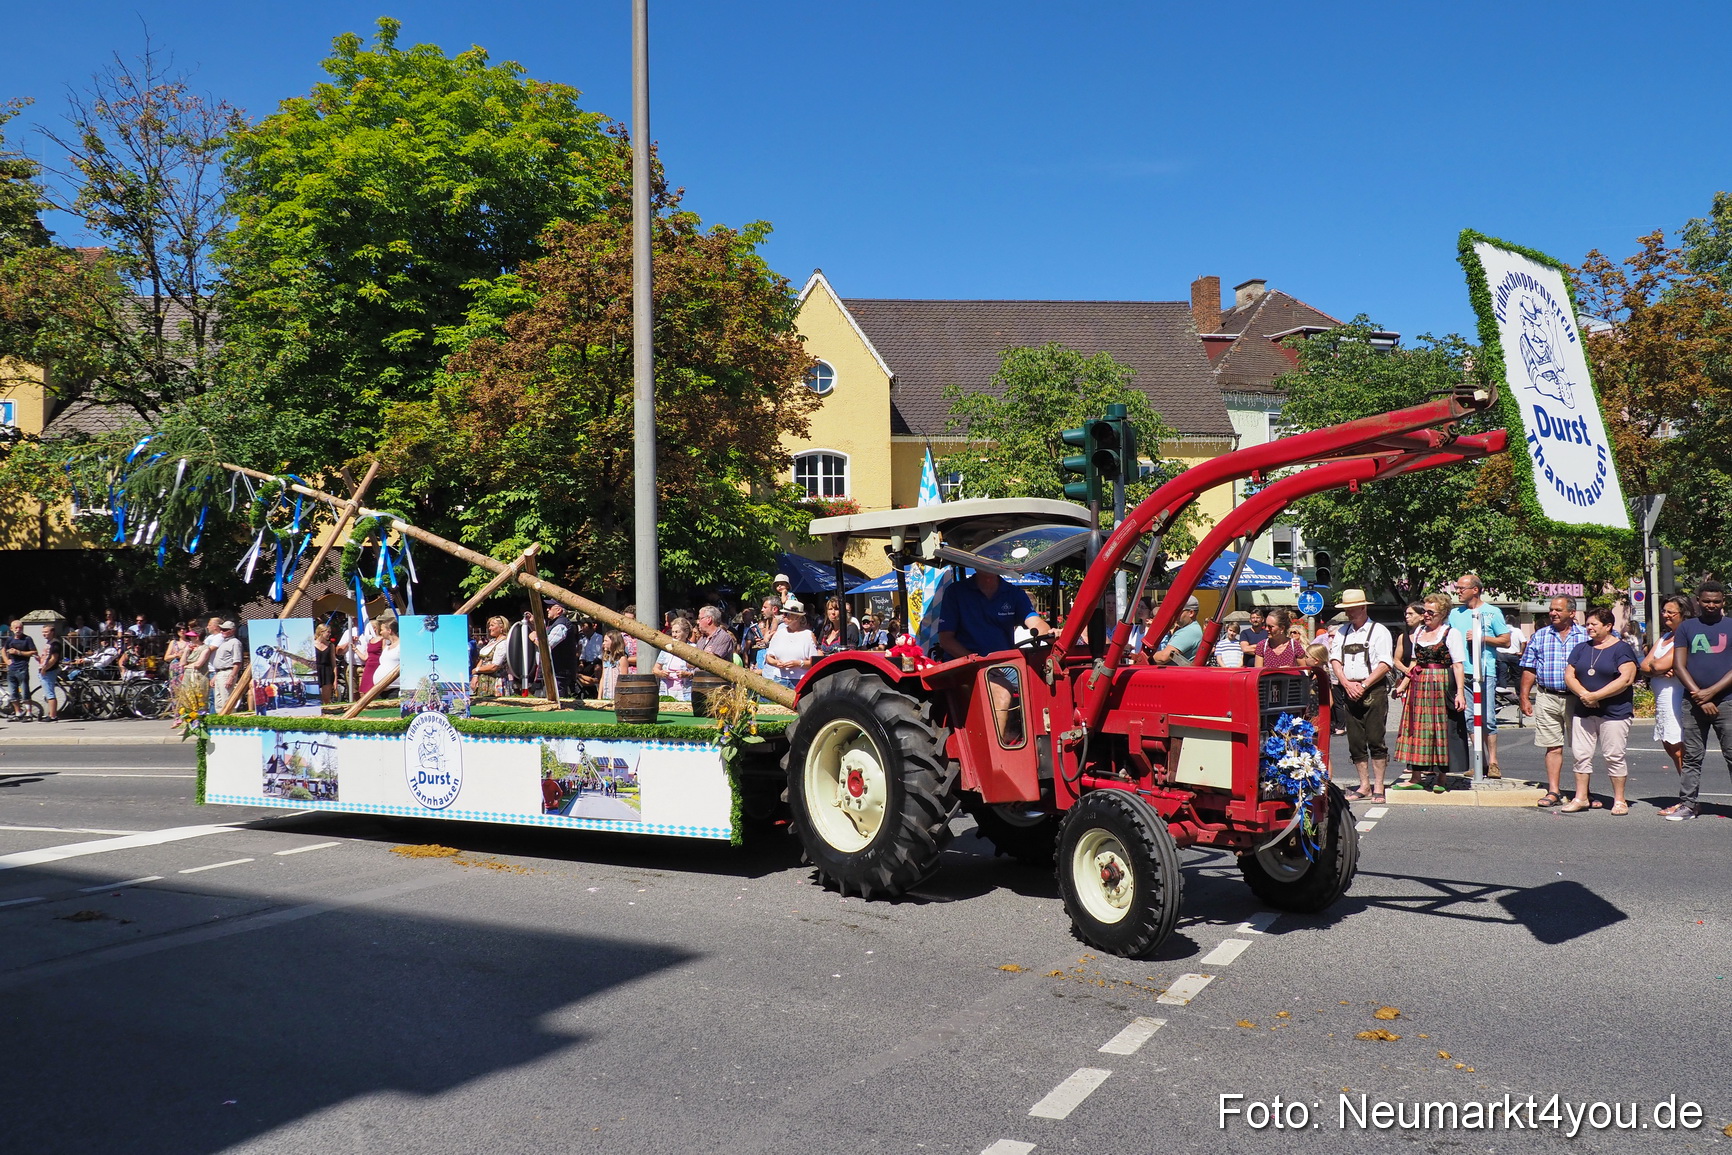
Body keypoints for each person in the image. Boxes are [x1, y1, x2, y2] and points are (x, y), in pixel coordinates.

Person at [1560, 606, 1641, 814]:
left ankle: (1620, 800)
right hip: (1584, 710)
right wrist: (1585, 695)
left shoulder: (1621, 649)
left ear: (1608, 626)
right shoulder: (1581, 648)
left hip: (1614, 712)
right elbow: (1569, 675)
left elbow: (1626, 678)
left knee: (1614, 755)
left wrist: (1597, 696)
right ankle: (1581, 797)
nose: (1589, 627)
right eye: (1587, 624)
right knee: (1580, 754)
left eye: (1594, 624)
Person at [1666, 581, 1732, 821]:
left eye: (1716, 601)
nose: (1711, 605)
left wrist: (1711, 692)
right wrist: (1699, 696)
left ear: (1723, 601)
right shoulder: (1687, 627)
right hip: (1693, 703)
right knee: (1692, 756)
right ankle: (1688, 804)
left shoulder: (1731, 625)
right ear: (1698, 601)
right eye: (1706, 601)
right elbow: (1679, 665)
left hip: (1727, 701)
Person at [1518, 596, 1590, 808]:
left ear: (1572, 613)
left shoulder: (1585, 636)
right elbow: (1529, 667)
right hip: (1547, 696)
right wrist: (1524, 697)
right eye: (1551, 609)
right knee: (1552, 747)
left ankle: (1583, 793)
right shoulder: (1540, 636)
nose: (1553, 613)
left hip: (1578, 699)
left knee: (1581, 749)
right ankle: (1553, 791)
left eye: (1558, 609)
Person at [1393, 594, 1466, 794]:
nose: (1426, 615)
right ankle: (1415, 777)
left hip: (1442, 683)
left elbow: (1458, 665)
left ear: (1442, 614)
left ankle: (1441, 777)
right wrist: (1403, 685)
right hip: (1419, 684)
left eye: (1430, 612)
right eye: (1425, 611)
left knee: (1440, 729)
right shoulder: (1419, 632)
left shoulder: (1450, 633)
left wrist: (1460, 693)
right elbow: (1414, 663)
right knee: (1418, 729)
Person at [1328, 589, 1394, 803]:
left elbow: (1385, 664)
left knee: (1376, 739)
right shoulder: (1342, 632)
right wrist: (1346, 683)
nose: (1348, 613)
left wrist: (1364, 685)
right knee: (1355, 741)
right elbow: (1335, 660)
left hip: (1373, 689)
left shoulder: (1379, 631)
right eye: (1346, 609)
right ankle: (1364, 785)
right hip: (1349, 689)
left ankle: (1378, 786)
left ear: (1363, 607)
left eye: (1351, 609)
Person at [1447, 574, 1512, 778]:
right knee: (1469, 718)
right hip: (1461, 672)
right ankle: (1479, 761)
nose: (1458, 592)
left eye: (1462, 588)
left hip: (1485, 672)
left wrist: (1482, 638)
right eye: (1457, 588)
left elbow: (1506, 640)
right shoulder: (1454, 614)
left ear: (1475, 590)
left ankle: (1493, 762)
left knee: (1488, 718)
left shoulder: (1492, 612)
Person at [936, 570, 1051, 659]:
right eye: (986, 555)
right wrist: (977, 662)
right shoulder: (955, 592)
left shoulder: (1014, 593)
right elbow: (946, 640)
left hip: (1005, 664)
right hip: (964, 665)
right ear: (973, 560)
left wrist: (1050, 634)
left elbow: (1035, 622)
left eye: (996, 554)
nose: (991, 559)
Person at [1642, 594, 1696, 778]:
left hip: (1676, 697)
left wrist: (1656, 666)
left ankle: (1689, 790)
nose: (1665, 615)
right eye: (1664, 611)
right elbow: (1644, 666)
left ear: (1684, 614)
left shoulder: (1685, 636)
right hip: (1662, 699)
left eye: (1671, 612)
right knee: (1668, 744)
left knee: (1678, 746)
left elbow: (1657, 665)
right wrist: (1656, 668)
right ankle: (1686, 787)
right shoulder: (1665, 637)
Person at [763, 600, 820, 688]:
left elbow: (814, 662)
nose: (783, 616)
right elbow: (769, 657)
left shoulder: (808, 635)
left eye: (787, 614)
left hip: (800, 680)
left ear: (797, 617)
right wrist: (776, 663)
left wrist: (799, 663)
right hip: (779, 679)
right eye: (783, 613)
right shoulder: (779, 633)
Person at [539, 601, 579, 700]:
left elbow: (547, 645)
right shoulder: (554, 623)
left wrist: (534, 638)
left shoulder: (561, 624)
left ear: (559, 610)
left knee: (557, 702)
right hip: (553, 672)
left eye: (550, 607)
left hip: (559, 673)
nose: (547, 609)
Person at [1151, 597, 1204, 665]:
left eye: (1178, 612)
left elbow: (1163, 657)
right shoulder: (1190, 629)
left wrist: (1145, 657)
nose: (1174, 615)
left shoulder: (1189, 631)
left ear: (1191, 613)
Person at [654, 618, 696, 701]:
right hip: (666, 692)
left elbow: (699, 672)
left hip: (686, 692)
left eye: (677, 632)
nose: (674, 635)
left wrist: (688, 674)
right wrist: (660, 673)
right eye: (673, 632)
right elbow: (655, 669)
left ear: (686, 633)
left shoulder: (693, 648)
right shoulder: (666, 648)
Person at [207, 621, 246, 710]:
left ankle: (230, 717)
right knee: (218, 702)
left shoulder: (235, 643)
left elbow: (237, 662)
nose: (222, 631)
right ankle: (220, 718)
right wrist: (216, 676)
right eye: (221, 629)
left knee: (227, 701)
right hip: (220, 672)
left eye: (225, 630)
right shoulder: (224, 642)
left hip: (228, 672)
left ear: (232, 630)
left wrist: (231, 677)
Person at [743, 597, 782, 670]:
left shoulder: (782, 628)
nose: (762, 610)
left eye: (765, 607)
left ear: (774, 609)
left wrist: (766, 641)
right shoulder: (769, 623)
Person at [37, 624, 62, 721]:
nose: (44, 634)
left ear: (52, 632)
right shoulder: (49, 642)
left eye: (46, 632)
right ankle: (50, 714)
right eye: (43, 632)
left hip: (49, 671)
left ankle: (53, 716)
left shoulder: (55, 644)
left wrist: (45, 668)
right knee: (48, 693)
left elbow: (54, 659)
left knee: (50, 693)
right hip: (45, 670)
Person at [599, 631, 626, 700]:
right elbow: (603, 677)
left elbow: (624, 680)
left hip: (616, 695)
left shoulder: (622, 659)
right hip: (606, 695)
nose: (603, 643)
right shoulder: (605, 659)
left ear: (614, 642)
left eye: (606, 641)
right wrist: (599, 696)